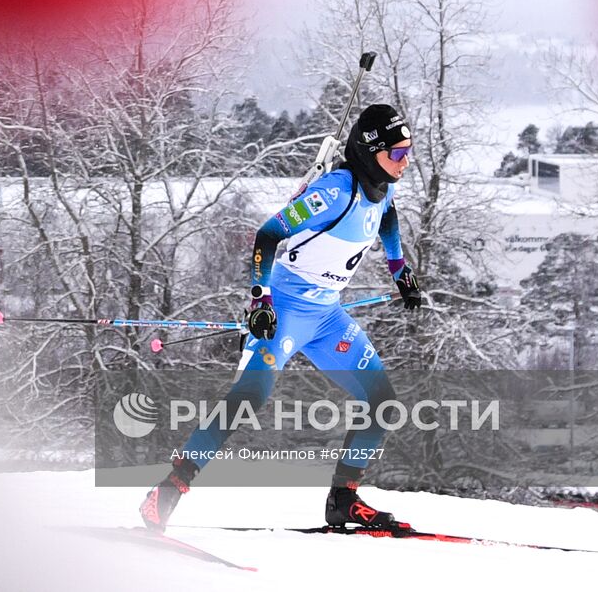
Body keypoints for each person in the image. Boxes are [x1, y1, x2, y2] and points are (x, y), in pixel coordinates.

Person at [140, 103, 425, 532]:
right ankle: (167, 491)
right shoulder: (335, 191)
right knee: (250, 397)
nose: (405, 162)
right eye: (397, 154)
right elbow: (268, 234)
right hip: (286, 310)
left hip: (328, 316)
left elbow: (386, 218)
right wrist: (261, 300)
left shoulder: (383, 186)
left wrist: (399, 268)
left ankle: (343, 500)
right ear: (370, 151)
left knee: (382, 403)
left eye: (409, 152)